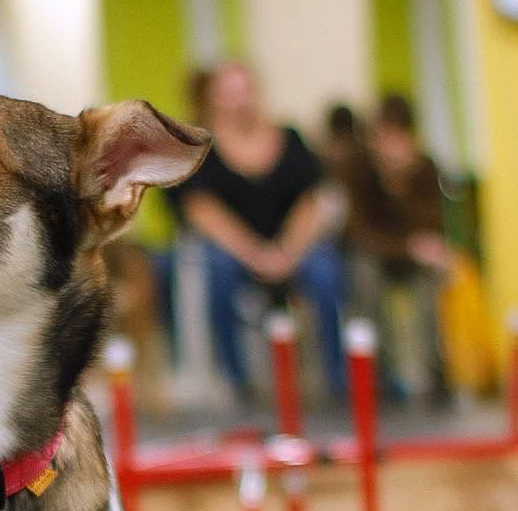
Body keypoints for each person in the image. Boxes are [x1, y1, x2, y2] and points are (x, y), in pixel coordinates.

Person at [171, 61, 346, 406]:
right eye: (229, 94)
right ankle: (238, 382)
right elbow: (203, 211)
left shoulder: (290, 139)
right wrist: (256, 256)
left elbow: (311, 200)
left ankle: (337, 380)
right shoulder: (201, 149)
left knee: (326, 269)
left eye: (245, 91)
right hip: (235, 253)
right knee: (216, 267)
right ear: (214, 99)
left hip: (292, 248)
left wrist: (287, 252)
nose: (240, 101)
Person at [345, 92, 451, 405]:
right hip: (376, 256)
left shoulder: (425, 169)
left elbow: (432, 224)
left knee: (434, 280)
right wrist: (407, 247)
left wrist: (401, 184)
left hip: (410, 257)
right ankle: (377, 377)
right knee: (365, 277)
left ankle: (437, 375)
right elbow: (358, 232)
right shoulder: (358, 169)